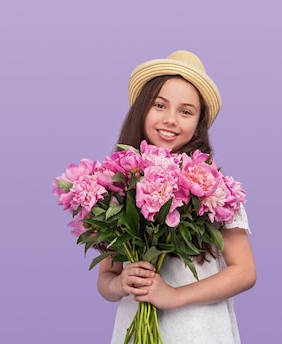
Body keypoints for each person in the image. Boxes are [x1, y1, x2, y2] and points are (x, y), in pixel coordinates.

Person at [97, 50, 256, 343]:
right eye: (160, 105)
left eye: (185, 111)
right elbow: (106, 280)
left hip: (198, 331)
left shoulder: (214, 189)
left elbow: (244, 271)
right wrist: (121, 284)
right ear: (142, 110)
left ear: (198, 123)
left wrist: (172, 296)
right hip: (133, 328)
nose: (170, 120)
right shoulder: (117, 187)